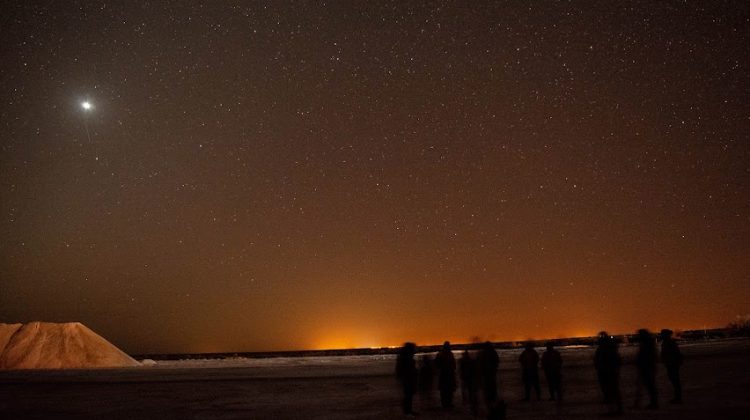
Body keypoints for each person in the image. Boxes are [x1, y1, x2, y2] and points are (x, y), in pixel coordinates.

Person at [594, 332, 622, 415]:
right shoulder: (606, 347)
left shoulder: (607, 348)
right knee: (609, 390)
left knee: (612, 390)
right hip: (605, 371)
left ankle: (616, 409)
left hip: (608, 372)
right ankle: (615, 409)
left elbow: (611, 360)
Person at [634, 329, 658, 409]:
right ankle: (652, 402)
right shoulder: (647, 343)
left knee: (650, 386)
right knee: (649, 386)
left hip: (647, 367)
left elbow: (647, 356)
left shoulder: (647, 344)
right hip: (646, 367)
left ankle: (653, 403)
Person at [661, 329, 683, 403]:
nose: (661, 335)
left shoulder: (669, 343)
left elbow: (676, 354)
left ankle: (678, 398)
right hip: (670, 364)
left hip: (672, 364)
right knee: (674, 381)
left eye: (662, 334)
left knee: (675, 381)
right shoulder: (668, 342)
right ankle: (677, 397)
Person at [396, 342, 418, 416]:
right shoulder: (406, 358)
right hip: (408, 379)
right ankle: (407, 411)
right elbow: (407, 369)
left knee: (409, 395)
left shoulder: (404, 357)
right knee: (408, 395)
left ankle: (408, 410)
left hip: (408, 378)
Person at [434, 341, 457, 408]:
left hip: (446, 374)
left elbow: (437, 364)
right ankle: (447, 403)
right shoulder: (448, 354)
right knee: (447, 390)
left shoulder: (443, 354)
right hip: (446, 374)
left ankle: (447, 403)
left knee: (446, 390)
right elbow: (453, 364)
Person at [478, 341, 500, 408]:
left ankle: (491, 398)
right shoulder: (488, 353)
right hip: (487, 372)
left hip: (489, 372)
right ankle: (491, 397)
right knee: (490, 386)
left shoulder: (488, 353)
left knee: (490, 386)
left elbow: (496, 361)